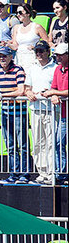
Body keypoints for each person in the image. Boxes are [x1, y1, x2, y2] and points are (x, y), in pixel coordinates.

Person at [0, 46, 32, 185]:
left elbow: (20, 90)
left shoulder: (18, 70)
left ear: (10, 57)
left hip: (19, 111)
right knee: (10, 144)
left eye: (4, 55)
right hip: (5, 111)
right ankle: (14, 173)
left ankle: (24, 174)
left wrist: (2, 95)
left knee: (23, 144)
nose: (1, 58)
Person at [24, 40, 57, 185]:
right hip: (36, 109)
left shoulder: (55, 67)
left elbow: (57, 87)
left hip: (51, 110)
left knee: (51, 142)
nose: (39, 54)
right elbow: (27, 87)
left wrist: (51, 93)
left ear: (48, 51)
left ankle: (52, 172)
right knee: (38, 142)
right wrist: (29, 92)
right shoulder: (32, 68)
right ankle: (42, 172)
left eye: (41, 51)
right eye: (36, 51)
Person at [43, 43, 68, 185]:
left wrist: (54, 93)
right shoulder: (58, 69)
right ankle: (61, 173)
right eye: (57, 55)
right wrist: (53, 94)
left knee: (59, 142)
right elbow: (54, 87)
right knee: (58, 142)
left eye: (61, 55)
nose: (58, 57)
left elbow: (58, 90)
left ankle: (62, 173)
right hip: (64, 115)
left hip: (66, 114)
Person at [10, 4, 50, 77]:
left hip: (32, 59)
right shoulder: (16, 28)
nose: (18, 15)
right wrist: (7, 44)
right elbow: (15, 46)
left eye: (20, 12)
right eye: (17, 13)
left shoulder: (37, 27)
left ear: (28, 13)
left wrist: (36, 47)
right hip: (19, 59)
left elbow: (47, 43)